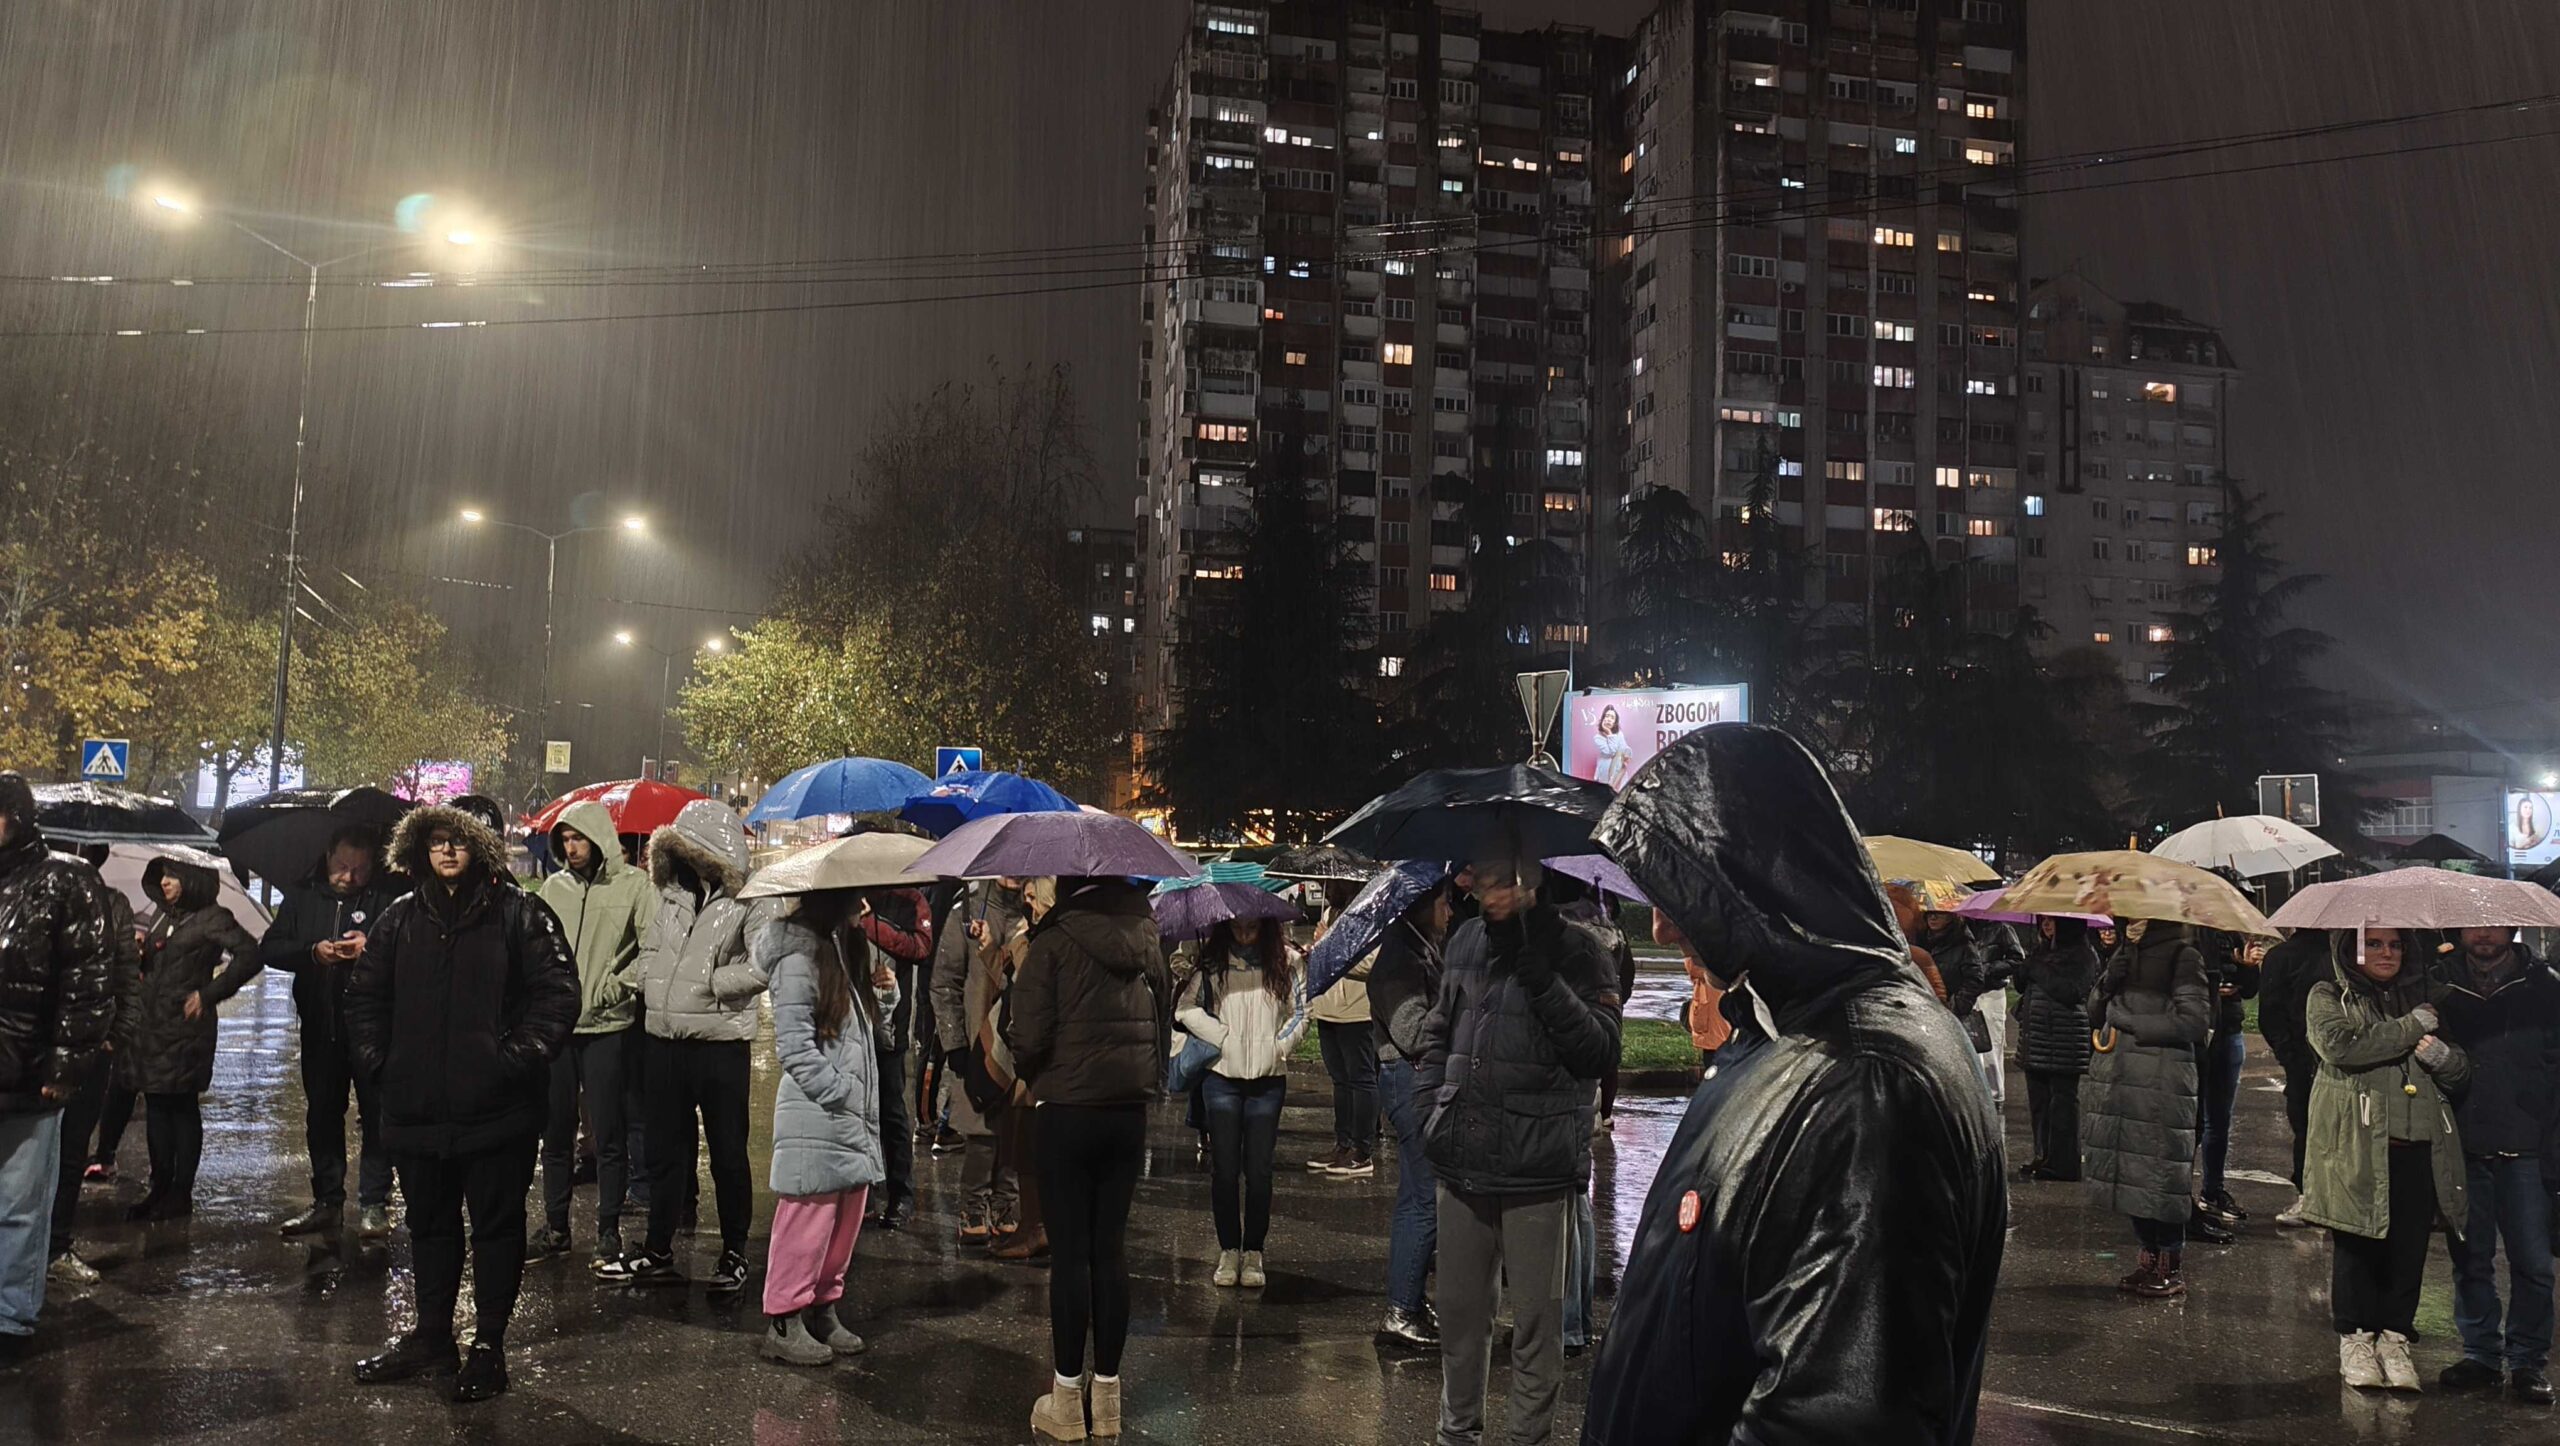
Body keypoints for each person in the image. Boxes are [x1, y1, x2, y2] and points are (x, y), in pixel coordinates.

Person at [1581, 725, 2005, 1444]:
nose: (1660, 929)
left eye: (1678, 891)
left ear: (1751, 880)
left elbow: (1835, 1416)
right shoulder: (1792, 1034)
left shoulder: (1865, 1086)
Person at [346, 803, 578, 1402]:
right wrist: (383, 1065)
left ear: (484, 847)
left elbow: (556, 998)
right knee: (428, 1224)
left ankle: (489, 1346)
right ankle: (431, 1336)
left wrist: (510, 1062)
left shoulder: (521, 914)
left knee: (496, 1228)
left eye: (460, 841)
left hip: (497, 1113)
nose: (447, 852)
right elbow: (365, 998)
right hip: (417, 1109)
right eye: (437, 842)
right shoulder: (399, 918)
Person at [1418, 857, 1619, 1446]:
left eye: (1495, 873)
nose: (1479, 883)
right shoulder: (1466, 940)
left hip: (1537, 1166)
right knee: (1459, 1316)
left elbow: (1600, 1053)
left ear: (1530, 878)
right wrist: (1431, 1108)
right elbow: (1440, 1030)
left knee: (1536, 1324)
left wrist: (1546, 984)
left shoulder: (1582, 951)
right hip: (1461, 1160)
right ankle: (1457, 1435)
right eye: (1477, 873)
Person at [1006, 875, 1169, 1442]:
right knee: (1110, 1252)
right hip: (1128, 1112)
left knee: (1071, 1257)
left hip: (1067, 1110)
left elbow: (1025, 1036)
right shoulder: (1148, 936)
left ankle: (1067, 1402)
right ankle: (1110, 1401)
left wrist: (1038, 1073)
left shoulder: (1053, 942)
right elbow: (1161, 1022)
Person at [600, 798, 764, 1291]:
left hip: (720, 1046)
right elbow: (654, 950)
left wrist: (716, 982)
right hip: (665, 1043)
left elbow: (765, 964)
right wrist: (642, 981)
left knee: (728, 1154)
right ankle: (658, 1247)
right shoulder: (669, 896)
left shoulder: (749, 901)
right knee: (665, 1152)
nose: (686, 857)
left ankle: (735, 1251)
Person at [2302, 926, 2470, 1393]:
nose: (2386, 952)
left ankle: (2395, 1339)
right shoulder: (2328, 994)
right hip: (2358, 1146)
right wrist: (2412, 1026)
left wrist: (2442, 1058)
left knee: (2408, 1252)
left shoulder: (2425, 997)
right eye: (2373, 943)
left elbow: (2460, 1069)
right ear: (2349, 949)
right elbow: (2341, 1046)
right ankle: (2355, 1339)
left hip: (2418, 1147)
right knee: (2357, 1247)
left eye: (2395, 944)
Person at [0, 773, 116, 1362]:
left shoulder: (64, 879)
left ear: (16, 818)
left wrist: (66, 1065)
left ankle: (11, 1319)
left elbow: (90, 982)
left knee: (18, 1204)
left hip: (27, 1069)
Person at [755, 887, 894, 1367]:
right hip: (818, 1113)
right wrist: (840, 1090)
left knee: (844, 1223)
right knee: (807, 1222)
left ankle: (822, 1309)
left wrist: (885, 995)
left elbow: (859, 1033)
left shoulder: (840, 948)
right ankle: (783, 1319)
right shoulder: (798, 956)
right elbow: (793, 1047)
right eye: (858, 898)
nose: (865, 907)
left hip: (850, 1116)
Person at [2430, 926, 2557, 1404]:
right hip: (2463, 1143)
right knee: (2470, 1259)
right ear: (2460, 931)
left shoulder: (2545, 987)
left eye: (2493, 925)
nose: (2483, 934)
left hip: (2527, 1148)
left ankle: (2527, 1360)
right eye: (2474, 925)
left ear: (2511, 929)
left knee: (2533, 1263)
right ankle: (2481, 1353)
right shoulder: (2438, 985)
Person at [262, 825, 404, 1241]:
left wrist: (372, 945)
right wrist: (312, 951)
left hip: (374, 1029)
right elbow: (271, 947)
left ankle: (374, 1202)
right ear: (328, 858)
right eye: (342, 867)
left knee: (377, 1115)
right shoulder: (303, 896)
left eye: (359, 869)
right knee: (322, 1114)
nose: (349, 877)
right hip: (320, 1026)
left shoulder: (387, 898)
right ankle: (327, 1200)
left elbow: (412, 948)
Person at [532, 801, 653, 1272]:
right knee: (555, 1133)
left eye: (578, 838)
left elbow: (651, 950)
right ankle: (556, 1227)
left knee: (608, 1135)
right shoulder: (553, 887)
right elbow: (535, 948)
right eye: (564, 840)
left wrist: (615, 986)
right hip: (560, 1030)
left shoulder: (634, 886)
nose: (570, 847)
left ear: (600, 837)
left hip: (607, 1027)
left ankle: (607, 1230)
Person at [119, 854, 258, 1222]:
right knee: (157, 1106)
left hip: (185, 1029)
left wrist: (208, 994)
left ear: (192, 878)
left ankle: (181, 1192)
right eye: (162, 875)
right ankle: (159, 1187)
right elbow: (156, 962)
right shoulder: (164, 915)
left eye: (173, 875)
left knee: (180, 1106)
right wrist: (140, 953)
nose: (165, 883)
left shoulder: (213, 918)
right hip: (151, 1027)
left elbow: (250, 955)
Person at [1176, 916, 1308, 1289]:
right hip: (1221, 1079)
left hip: (1268, 1082)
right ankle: (1228, 1249)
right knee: (1225, 1169)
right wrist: (1221, 1036)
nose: (1244, 933)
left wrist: (1278, 1046)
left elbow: (1301, 1012)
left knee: (1260, 1170)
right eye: (1237, 926)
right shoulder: (1212, 962)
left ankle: (1254, 1250)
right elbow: (1185, 1009)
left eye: (1252, 927)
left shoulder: (1288, 961)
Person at [2082, 918, 2209, 1298]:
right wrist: (2107, 981)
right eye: (2126, 917)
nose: (2131, 924)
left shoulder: (2183, 956)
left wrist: (2130, 1021)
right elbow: (2094, 1012)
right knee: (2132, 1172)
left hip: (2161, 1081)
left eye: (2138, 917)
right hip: (2120, 1077)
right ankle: (2147, 1259)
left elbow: (2194, 1021)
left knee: (2159, 1173)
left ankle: (2170, 1262)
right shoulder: (2123, 953)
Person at [49, 844, 139, 1286]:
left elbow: (126, 975)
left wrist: (115, 1036)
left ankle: (55, 1247)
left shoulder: (113, 905)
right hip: (28, 1047)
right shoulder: (25, 893)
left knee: (70, 1154)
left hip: (89, 1047)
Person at [1369, 877, 1452, 1350]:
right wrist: (1455, 1005)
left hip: (1414, 1080)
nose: (1450, 912)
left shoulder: (1420, 949)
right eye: (1442, 903)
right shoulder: (1400, 958)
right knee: (1426, 1200)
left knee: (1416, 1198)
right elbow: (1413, 1032)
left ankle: (1408, 1302)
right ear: (1421, 907)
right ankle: (1401, 1310)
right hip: (1409, 1081)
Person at [930, 879, 1027, 1244]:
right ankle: (972, 1204)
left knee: (1016, 1128)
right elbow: (944, 983)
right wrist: (954, 1041)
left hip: (1021, 1040)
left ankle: (1006, 1202)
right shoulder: (967, 910)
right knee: (982, 1130)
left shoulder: (1037, 910)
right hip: (978, 1039)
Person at [855, 882, 933, 1232]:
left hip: (890, 1023)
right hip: (850, 1019)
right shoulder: (848, 891)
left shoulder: (911, 899)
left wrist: (873, 924)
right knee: (856, 1111)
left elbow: (921, 947)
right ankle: (863, 1192)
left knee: (891, 1110)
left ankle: (900, 1193)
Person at [2016, 916, 2099, 1182]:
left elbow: (2070, 991)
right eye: (2043, 920)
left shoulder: (2084, 955)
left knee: (2062, 1105)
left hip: (2064, 1040)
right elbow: (2024, 985)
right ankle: (2044, 1156)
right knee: (2039, 1104)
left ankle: (2064, 1164)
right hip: (2037, 1038)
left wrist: (2036, 969)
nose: (2046, 925)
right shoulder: (2041, 951)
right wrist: (2024, 968)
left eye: (2053, 920)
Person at [2256, 928, 2329, 1227]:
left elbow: (2269, 1016)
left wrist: (2289, 1056)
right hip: (2323, 1057)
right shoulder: (2347, 954)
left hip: (2301, 1059)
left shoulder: (2281, 956)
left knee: (2307, 1128)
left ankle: (2309, 1197)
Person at [1306, 881, 1378, 1178]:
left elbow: (1371, 963)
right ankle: (1342, 1144)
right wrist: (1315, 949)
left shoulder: (1369, 915)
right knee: (1340, 1080)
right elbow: (1324, 952)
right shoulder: (1329, 913)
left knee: (1361, 1080)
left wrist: (1330, 944)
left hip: (1356, 1011)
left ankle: (1362, 1151)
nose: (1329, 889)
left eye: (1336, 884)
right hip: (1328, 1007)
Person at [2193, 931, 2262, 1233]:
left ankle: (2212, 1190)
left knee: (2218, 1120)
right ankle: (2180, 1197)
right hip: (2196, 1032)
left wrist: (2246, 966)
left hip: (2229, 1029)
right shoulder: (2188, 932)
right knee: (2189, 1121)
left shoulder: (2232, 934)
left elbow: (2249, 991)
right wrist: (2209, 987)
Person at [1590, 704, 1628, 789]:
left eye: (1612, 717)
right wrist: (1609, 733)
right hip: (1605, 774)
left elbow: (1624, 749)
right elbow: (1611, 752)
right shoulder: (1598, 738)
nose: (1609, 719)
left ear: (1615, 722)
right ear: (1603, 719)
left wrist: (1627, 754)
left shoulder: (1620, 734)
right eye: (1607, 716)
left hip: (1619, 774)